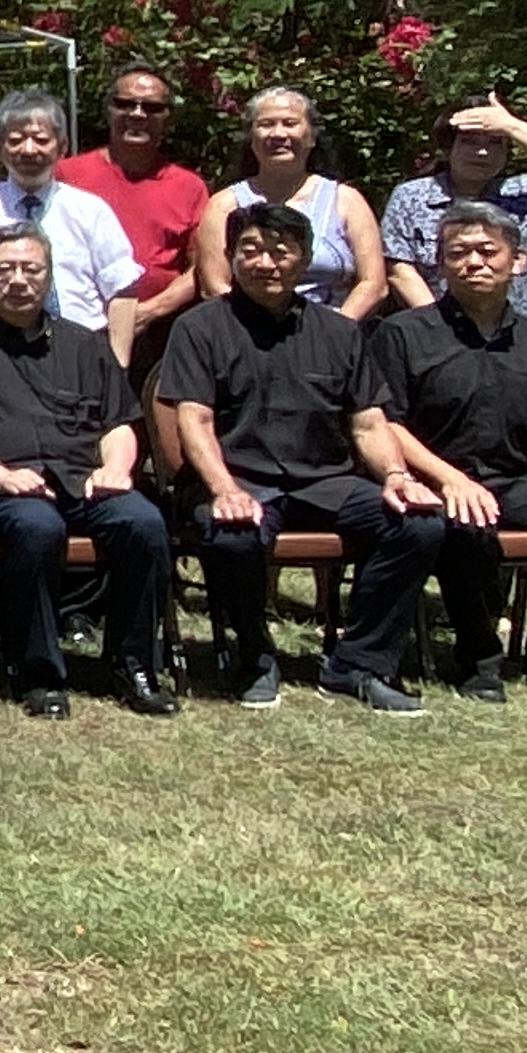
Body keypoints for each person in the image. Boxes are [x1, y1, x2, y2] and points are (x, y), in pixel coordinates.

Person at [156, 198, 431, 712]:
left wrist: (396, 475)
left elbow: (368, 421)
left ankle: (359, 664)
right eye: (252, 251)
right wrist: (224, 489)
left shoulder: (339, 331)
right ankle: (253, 655)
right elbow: (193, 420)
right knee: (232, 534)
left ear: (304, 259)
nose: (266, 263)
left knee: (417, 525)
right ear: (231, 257)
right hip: (238, 477)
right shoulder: (200, 328)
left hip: (325, 481)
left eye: (281, 252)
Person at [0, 224, 180, 720]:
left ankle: (133, 665)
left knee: (144, 525)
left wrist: (118, 469)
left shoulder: (85, 344)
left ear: (48, 274)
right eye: (4, 269)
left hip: (83, 478)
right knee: (37, 527)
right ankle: (36, 673)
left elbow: (119, 423)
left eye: (30, 269)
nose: (18, 280)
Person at [370, 197, 527, 697]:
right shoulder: (402, 335)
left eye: (488, 250)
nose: (474, 262)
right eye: (458, 252)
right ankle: (477, 658)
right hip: (436, 480)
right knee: (467, 527)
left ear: (518, 261)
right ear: (441, 264)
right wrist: (449, 479)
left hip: (522, 481)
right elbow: (384, 424)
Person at [0, 91, 154, 356]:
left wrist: (117, 365)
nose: (28, 149)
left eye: (41, 139)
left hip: (82, 351)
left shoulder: (89, 210)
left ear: (62, 147)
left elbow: (122, 291)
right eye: (16, 140)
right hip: (0, 353)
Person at [382, 95, 527, 328]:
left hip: (523, 342)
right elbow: (400, 270)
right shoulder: (412, 197)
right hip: (443, 338)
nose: (483, 152)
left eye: (495, 143)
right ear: (447, 148)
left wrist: (511, 125)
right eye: (469, 142)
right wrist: (441, 329)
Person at [53, 67, 204, 364]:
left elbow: (200, 269)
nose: (137, 114)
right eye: (125, 104)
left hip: (158, 335)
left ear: (167, 119)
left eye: (152, 107)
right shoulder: (65, 175)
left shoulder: (190, 187)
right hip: (75, 332)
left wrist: (148, 311)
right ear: (108, 111)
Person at [190, 88, 384, 317]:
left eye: (290, 123)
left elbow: (373, 284)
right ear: (251, 137)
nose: (278, 133)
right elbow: (215, 287)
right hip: (249, 337)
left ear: (311, 136)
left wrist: (334, 334)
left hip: (333, 338)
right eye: (266, 124)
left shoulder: (346, 200)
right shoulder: (224, 205)